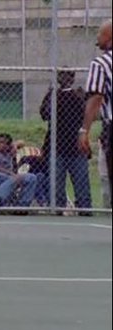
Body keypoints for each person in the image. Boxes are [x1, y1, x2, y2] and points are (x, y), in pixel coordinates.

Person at [39, 70, 92, 212]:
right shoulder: (53, 95)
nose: (64, 78)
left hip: (76, 145)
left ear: (73, 78)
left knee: (81, 181)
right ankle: (58, 208)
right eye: (61, 75)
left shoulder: (78, 95)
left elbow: (87, 114)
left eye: (68, 75)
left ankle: (84, 208)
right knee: (56, 182)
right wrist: (50, 96)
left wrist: (81, 97)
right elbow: (44, 114)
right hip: (56, 146)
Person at [79, 20, 112, 200]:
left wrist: (85, 130)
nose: (97, 38)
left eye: (99, 34)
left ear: (109, 37)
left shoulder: (101, 63)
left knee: (108, 177)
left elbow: (96, 97)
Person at [0, 133, 38, 210]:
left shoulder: (9, 153)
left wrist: (14, 146)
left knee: (32, 177)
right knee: (14, 179)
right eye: (0, 142)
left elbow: (21, 142)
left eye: (6, 144)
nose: (2, 145)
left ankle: (22, 206)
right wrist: (12, 174)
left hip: (11, 178)